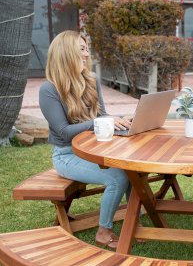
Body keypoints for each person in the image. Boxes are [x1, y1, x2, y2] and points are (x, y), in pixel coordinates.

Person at [39, 30, 132, 249]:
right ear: (66, 53)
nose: (86, 54)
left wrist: (120, 120)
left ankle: (132, 219)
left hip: (95, 148)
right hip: (67, 155)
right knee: (117, 177)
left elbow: (101, 116)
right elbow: (63, 133)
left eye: (86, 49)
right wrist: (95, 123)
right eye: (81, 49)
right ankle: (104, 231)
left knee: (131, 168)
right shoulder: (49, 89)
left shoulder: (90, 80)